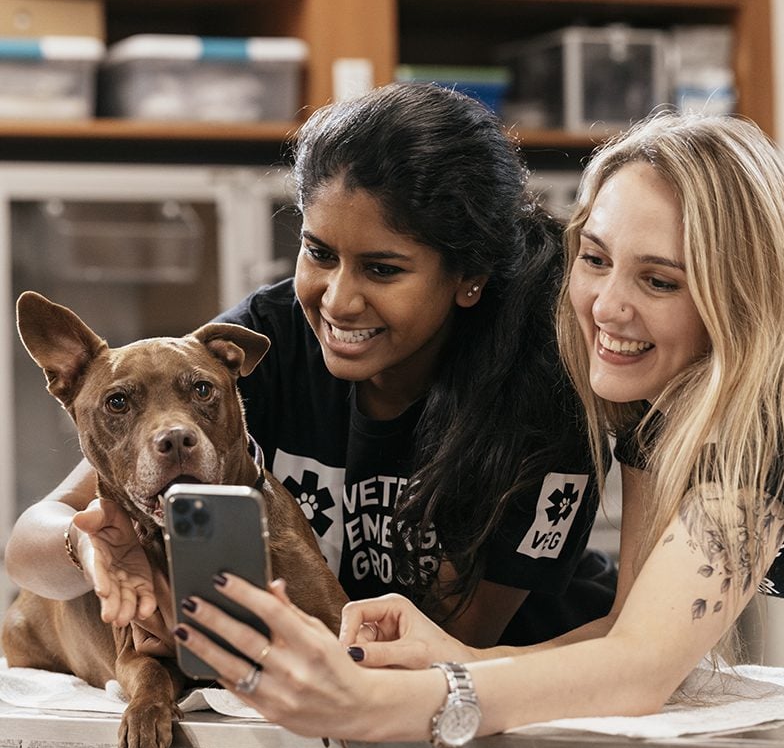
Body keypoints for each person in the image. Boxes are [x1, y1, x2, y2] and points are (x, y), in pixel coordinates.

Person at [170, 111, 784, 745]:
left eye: (660, 282)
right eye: (594, 260)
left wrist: (377, 702)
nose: (607, 307)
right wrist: (462, 662)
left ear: (735, 289)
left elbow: (642, 671)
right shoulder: (664, 388)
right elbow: (628, 631)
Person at [5, 82, 614, 650]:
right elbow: (31, 542)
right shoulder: (263, 341)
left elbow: (453, 647)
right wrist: (89, 548)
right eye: (318, 253)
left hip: (520, 688)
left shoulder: (539, 393)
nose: (338, 300)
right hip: (333, 676)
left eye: (382, 269)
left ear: (469, 278)